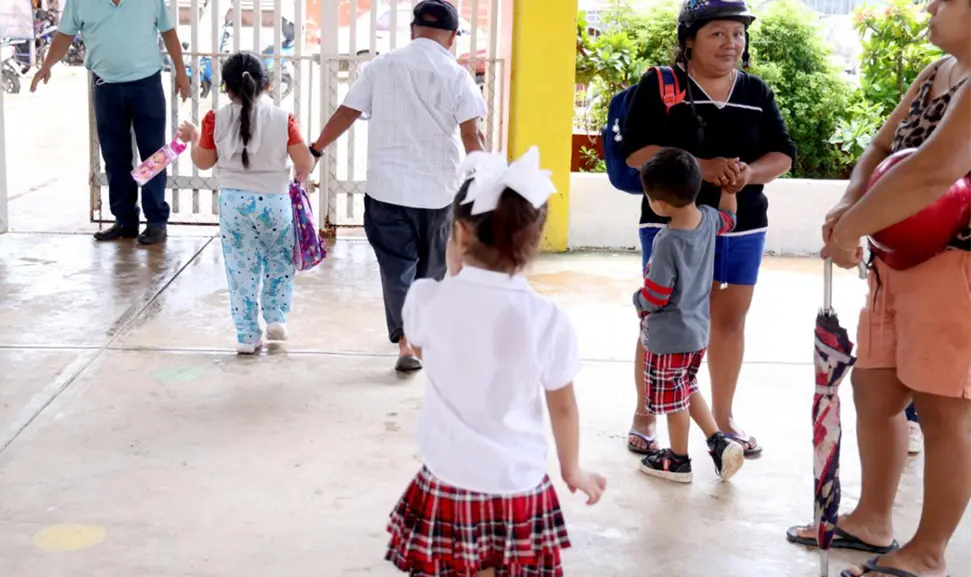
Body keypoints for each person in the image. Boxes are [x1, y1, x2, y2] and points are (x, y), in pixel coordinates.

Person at [785, 0, 971, 573]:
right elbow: (882, 147)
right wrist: (849, 203)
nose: (931, 7)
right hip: (894, 263)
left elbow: (935, 169)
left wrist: (850, 230)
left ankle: (927, 553)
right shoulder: (936, 72)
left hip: (954, 268)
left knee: (944, 410)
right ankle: (871, 521)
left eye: (946, 0)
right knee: (875, 391)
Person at [384, 147, 606, 577]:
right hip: (519, 483)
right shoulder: (547, 319)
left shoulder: (426, 301)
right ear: (533, 243)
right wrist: (572, 468)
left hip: (450, 478)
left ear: (460, 234)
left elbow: (428, 352)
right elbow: (563, 406)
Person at [619, 0, 796, 458]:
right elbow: (637, 152)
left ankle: (724, 417)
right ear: (689, 40)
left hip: (742, 225)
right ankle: (645, 414)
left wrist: (747, 175)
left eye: (738, 33)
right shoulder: (662, 86)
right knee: (662, 319)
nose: (731, 43)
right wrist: (704, 167)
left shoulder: (756, 91)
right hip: (670, 224)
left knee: (730, 322)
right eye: (718, 33)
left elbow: (782, 153)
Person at [309, 0, 487, 372]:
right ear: (452, 38)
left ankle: (407, 343)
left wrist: (315, 149)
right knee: (431, 269)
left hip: (387, 189)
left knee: (397, 267)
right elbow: (472, 135)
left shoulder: (381, 66)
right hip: (438, 191)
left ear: (412, 29)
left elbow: (347, 112)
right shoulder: (456, 75)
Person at [178, 52, 315, 354]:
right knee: (279, 261)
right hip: (275, 203)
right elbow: (305, 163)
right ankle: (276, 318)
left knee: (240, 268)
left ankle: (246, 335)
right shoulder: (283, 119)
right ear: (268, 84)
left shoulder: (215, 119)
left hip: (234, 206)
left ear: (226, 89)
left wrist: (194, 137)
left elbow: (203, 162)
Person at [31, 0, 190, 245]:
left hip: (146, 84)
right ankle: (125, 221)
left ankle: (156, 222)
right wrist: (46, 65)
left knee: (154, 156)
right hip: (106, 85)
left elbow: (168, 31)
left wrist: (181, 71)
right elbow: (64, 35)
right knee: (115, 155)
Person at [632, 147, 745, 484]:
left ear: (659, 204)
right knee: (686, 386)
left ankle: (678, 460)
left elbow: (657, 295)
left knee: (673, 402)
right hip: (697, 332)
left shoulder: (667, 241)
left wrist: (638, 301)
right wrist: (729, 191)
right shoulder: (708, 219)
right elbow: (730, 219)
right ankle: (718, 441)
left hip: (669, 336)